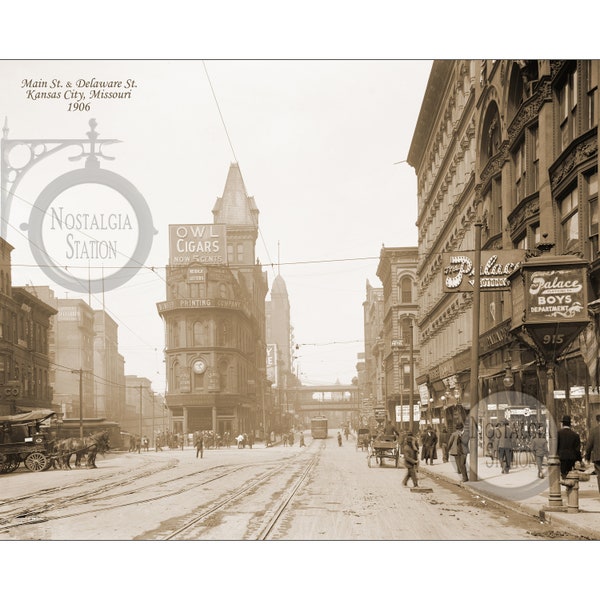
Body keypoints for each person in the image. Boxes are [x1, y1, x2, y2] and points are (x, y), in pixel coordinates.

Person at [585, 414, 600, 494]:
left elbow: (589, 445)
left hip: (598, 457)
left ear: (598, 421)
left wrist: (587, 457)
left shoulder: (594, 431)